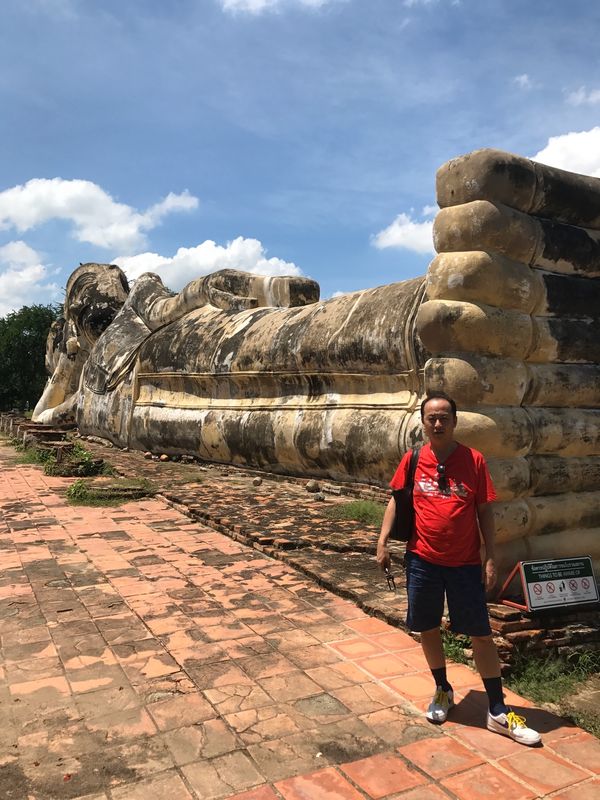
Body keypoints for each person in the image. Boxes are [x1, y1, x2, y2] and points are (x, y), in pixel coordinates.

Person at [377, 391, 541, 746]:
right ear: (423, 423)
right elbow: (396, 500)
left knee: (480, 633)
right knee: (427, 626)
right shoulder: (412, 459)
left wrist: (491, 556)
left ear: (454, 422)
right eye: (431, 418)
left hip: (464, 564)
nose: (438, 423)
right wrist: (382, 541)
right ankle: (442, 689)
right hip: (422, 559)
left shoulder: (473, 460)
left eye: (444, 418)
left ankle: (497, 709)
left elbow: (484, 511)